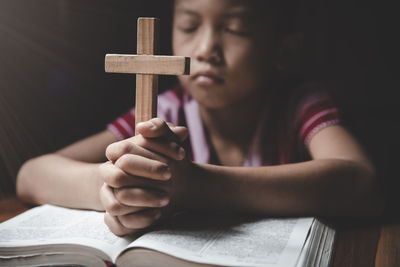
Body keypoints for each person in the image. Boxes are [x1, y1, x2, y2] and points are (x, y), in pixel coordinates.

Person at [16, 0, 383, 236]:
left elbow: (361, 183)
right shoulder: (165, 110)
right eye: (190, 27)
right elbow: (31, 175)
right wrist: (116, 184)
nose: (207, 49)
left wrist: (193, 186)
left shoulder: (298, 105)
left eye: (235, 28)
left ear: (281, 49)